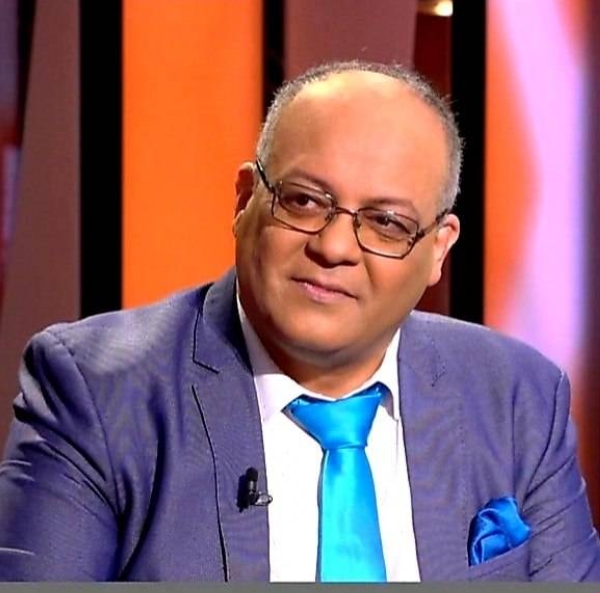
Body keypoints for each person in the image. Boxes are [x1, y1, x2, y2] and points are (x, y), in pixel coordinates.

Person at [0, 60, 599, 582]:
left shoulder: (518, 398)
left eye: (386, 223)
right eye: (305, 201)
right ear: (244, 200)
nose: (334, 247)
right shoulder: (99, 393)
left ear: (438, 249)